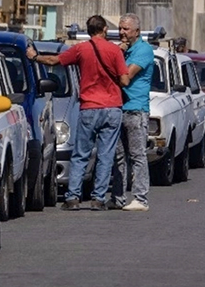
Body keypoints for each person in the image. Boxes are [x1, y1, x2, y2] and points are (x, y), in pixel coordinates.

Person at [32, 15, 130, 211]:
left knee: (80, 154)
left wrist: (33, 56)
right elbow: (125, 81)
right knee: (106, 155)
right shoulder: (114, 50)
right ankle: (98, 199)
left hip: (89, 107)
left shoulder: (81, 49)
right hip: (112, 108)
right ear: (103, 30)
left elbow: (53, 60)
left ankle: (73, 197)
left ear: (89, 30)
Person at [109, 13, 154, 212]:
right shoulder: (124, 51)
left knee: (137, 155)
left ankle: (140, 198)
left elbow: (125, 76)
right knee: (118, 156)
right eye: (120, 28)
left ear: (136, 31)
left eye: (125, 29)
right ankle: (118, 197)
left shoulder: (143, 50)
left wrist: (118, 56)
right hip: (120, 108)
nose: (121, 32)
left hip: (136, 109)